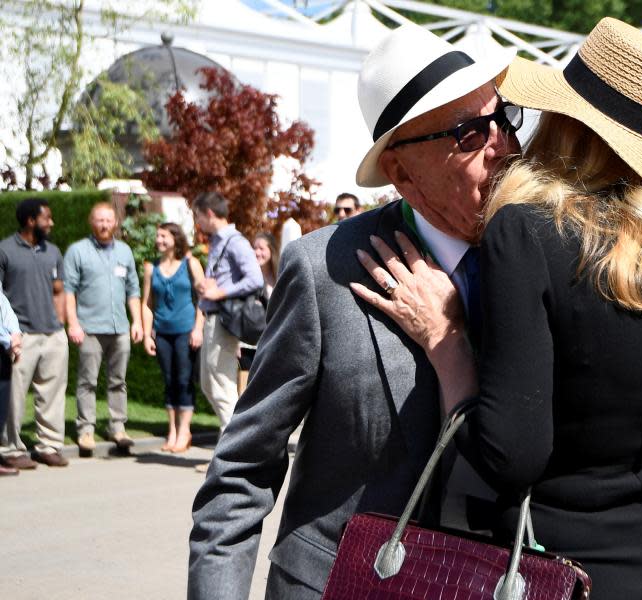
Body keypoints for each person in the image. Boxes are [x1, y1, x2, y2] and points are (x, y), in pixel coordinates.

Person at [353, 18, 642, 599]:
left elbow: (511, 457)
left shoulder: (528, 233)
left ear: (567, 123)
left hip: (576, 575)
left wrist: (447, 343)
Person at [188, 25, 517, 599]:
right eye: (468, 133)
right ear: (401, 171)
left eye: (503, 118)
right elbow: (242, 472)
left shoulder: (540, 257)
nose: (503, 146)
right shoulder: (325, 270)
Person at [64, 202, 143, 452]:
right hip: (89, 328)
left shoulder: (125, 252)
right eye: (99, 220)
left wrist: (137, 321)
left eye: (108, 220)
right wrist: (73, 323)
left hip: (120, 327)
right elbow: (69, 292)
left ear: (115, 223)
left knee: (118, 381)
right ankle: (86, 430)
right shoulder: (78, 251)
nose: (104, 225)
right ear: (91, 221)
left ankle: (117, 427)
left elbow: (133, 290)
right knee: (87, 381)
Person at [0, 197, 70, 469]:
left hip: (53, 334)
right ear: (31, 220)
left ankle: (48, 445)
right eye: (47, 218)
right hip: (21, 336)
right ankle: (11, 448)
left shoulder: (52, 251)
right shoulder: (5, 250)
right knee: (13, 397)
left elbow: (58, 290)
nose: (51, 223)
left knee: (52, 394)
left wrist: (60, 325)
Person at [191, 191, 263, 434]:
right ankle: (233, 448)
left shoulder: (235, 241)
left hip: (223, 322)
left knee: (222, 386)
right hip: (214, 320)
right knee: (210, 385)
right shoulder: (219, 241)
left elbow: (255, 279)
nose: (197, 222)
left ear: (209, 213)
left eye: (198, 216)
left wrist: (220, 292)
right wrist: (208, 286)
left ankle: (233, 452)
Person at [141, 223, 205, 453]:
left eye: (164, 236)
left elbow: (203, 298)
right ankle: (172, 431)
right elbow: (148, 304)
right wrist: (148, 334)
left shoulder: (191, 264)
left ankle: (185, 430)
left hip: (185, 331)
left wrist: (198, 329)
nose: (159, 240)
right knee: (169, 381)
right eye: (157, 236)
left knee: (184, 380)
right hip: (162, 332)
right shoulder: (152, 268)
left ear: (175, 239)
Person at [236, 232, 279, 395]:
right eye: (254, 248)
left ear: (272, 251)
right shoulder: (245, 277)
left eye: (261, 248)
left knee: (267, 389)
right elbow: (237, 310)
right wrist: (234, 340)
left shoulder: (280, 278)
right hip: (247, 342)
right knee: (244, 390)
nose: (257, 252)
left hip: (271, 342)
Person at [0, 283, 23, 476]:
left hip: (4, 349)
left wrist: (15, 332)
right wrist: (8, 340)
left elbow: (3, 303)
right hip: (4, 344)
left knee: (1, 407)